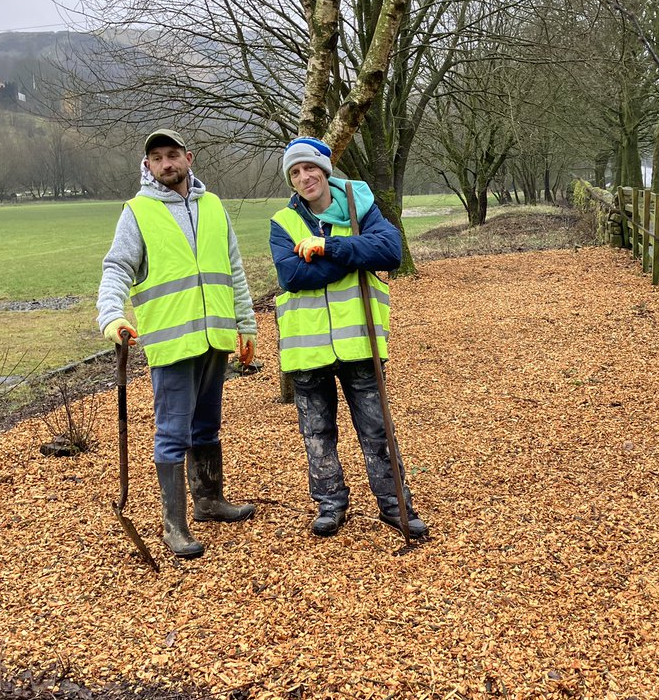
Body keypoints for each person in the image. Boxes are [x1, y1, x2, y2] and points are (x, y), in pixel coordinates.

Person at [97, 128, 257, 559]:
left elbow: (234, 270)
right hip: (172, 343)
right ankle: (175, 526)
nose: (166, 163)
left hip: (216, 338)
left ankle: (208, 501)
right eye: (156, 158)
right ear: (146, 166)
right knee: (172, 433)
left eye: (172, 155)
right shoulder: (138, 211)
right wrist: (111, 316)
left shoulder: (214, 206)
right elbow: (116, 268)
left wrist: (247, 326)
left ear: (189, 157)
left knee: (207, 425)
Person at [269, 136, 427, 539]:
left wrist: (328, 246)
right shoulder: (283, 223)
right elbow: (293, 276)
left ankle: (395, 506)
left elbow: (390, 250)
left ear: (325, 169)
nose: (305, 177)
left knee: (378, 430)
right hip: (308, 351)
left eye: (310, 168)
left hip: (361, 343)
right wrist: (354, 256)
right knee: (317, 433)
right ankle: (330, 503)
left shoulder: (361, 206)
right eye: (296, 172)